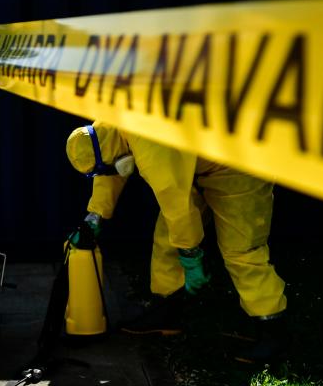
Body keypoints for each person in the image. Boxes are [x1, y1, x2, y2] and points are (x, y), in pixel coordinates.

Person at [65, 121, 288, 363]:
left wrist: (191, 254)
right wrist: (94, 217)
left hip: (240, 165)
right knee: (167, 240)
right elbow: (110, 171)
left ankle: (272, 330)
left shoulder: (150, 146)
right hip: (196, 163)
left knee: (242, 251)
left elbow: (178, 207)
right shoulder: (109, 128)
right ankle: (166, 311)